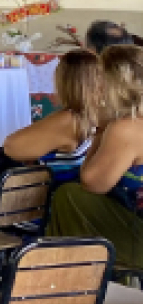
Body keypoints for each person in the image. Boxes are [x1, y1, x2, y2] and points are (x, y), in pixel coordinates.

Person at [47, 44, 143, 269]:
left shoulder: (127, 127)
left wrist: (101, 130)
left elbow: (93, 183)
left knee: (68, 195)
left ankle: (66, 277)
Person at [0, 49, 101, 198]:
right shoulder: (98, 116)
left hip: (49, 200)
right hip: (69, 193)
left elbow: (11, 146)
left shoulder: (70, 119)